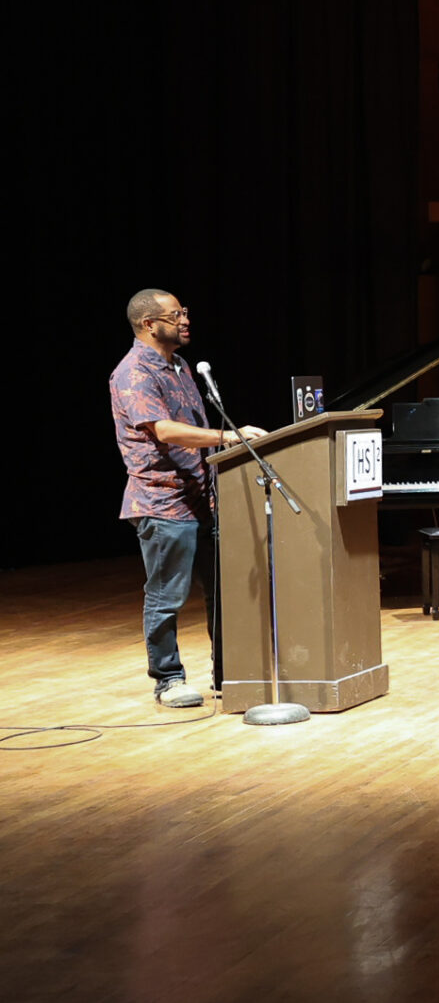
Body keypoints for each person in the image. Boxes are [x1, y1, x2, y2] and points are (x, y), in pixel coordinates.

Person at [111, 289, 265, 709]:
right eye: (175, 314)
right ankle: (168, 679)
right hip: (162, 504)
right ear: (149, 324)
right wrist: (228, 435)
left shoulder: (180, 366)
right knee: (167, 596)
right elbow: (165, 430)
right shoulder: (133, 373)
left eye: (184, 312)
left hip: (203, 499)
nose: (184, 320)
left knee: (221, 590)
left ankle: (228, 672)